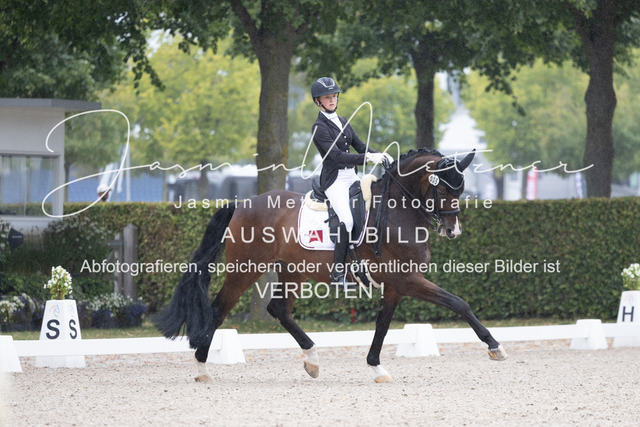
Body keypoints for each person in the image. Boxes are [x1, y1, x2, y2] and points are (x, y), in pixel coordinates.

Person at [310, 76, 392, 287]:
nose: (332, 100)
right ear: (318, 101)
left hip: (352, 177)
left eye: (334, 96)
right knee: (346, 220)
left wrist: (381, 155)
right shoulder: (319, 128)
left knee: (371, 210)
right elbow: (337, 156)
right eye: (327, 98)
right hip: (335, 181)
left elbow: (361, 146)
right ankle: (338, 272)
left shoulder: (343, 121)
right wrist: (368, 158)